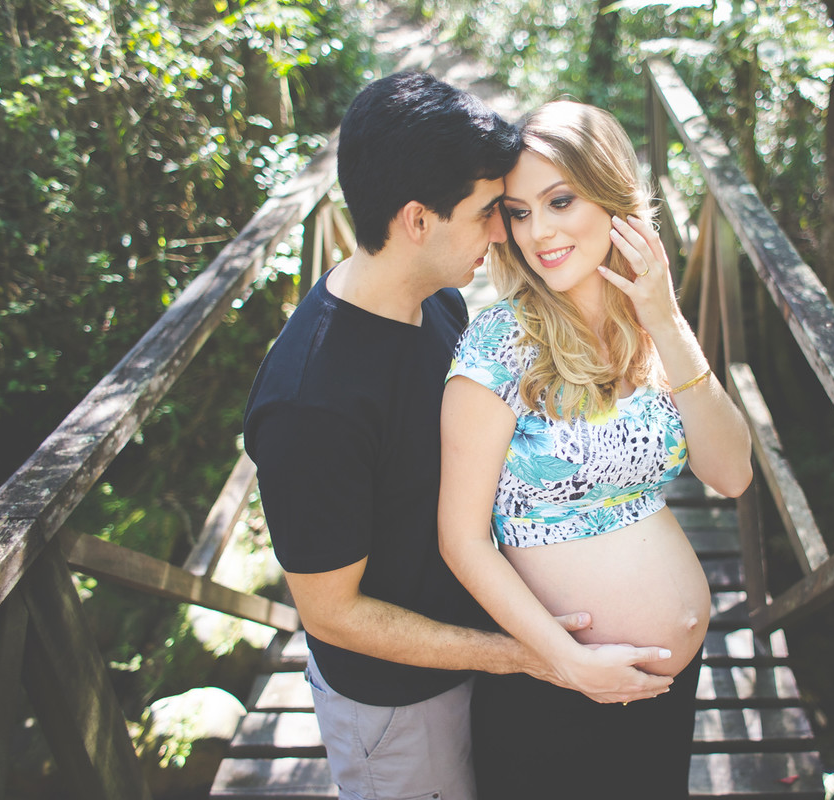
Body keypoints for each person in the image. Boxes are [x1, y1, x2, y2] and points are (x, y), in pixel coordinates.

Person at [243, 74, 673, 800]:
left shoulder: (437, 300)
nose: (505, 233)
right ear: (417, 220)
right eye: (487, 214)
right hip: (401, 709)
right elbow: (331, 613)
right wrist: (522, 656)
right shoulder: (308, 403)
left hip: (489, 661)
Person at [438, 100, 754, 800]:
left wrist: (666, 319)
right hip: (554, 689)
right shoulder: (497, 345)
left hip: (667, 687)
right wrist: (565, 663)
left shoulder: (651, 331)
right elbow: (461, 541)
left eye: (559, 201)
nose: (538, 232)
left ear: (613, 197)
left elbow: (731, 476)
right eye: (518, 212)